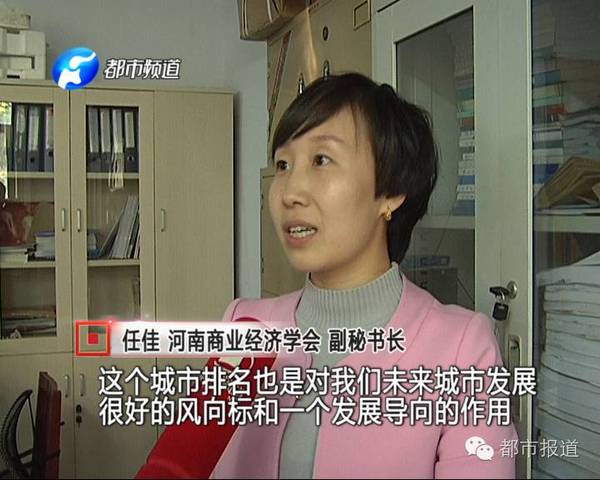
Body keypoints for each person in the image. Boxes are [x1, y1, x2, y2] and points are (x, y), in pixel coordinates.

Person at [137, 72, 518, 479]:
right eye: (283, 164)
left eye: (321, 160)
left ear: (391, 191)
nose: (289, 192)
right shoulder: (244, 325)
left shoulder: (461, 351)